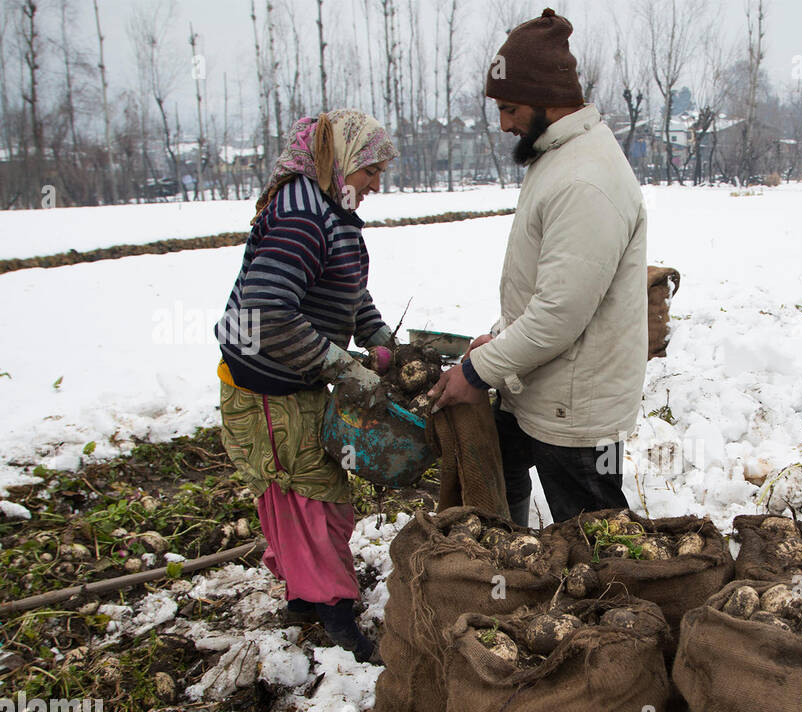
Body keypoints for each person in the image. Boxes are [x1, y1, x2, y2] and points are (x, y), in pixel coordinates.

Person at [429, 8, 648, 527]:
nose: (504, 124)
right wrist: (499, 338)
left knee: (597, 538)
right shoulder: (560, 158)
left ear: (549, 100)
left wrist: (474, 372)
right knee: (499, 486)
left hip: (576, 415)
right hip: (544, 393)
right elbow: (546, 287)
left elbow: (557, 315)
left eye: (509, 108)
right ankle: (517, 570)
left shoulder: (584, 180)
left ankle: (616, 606)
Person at [213, 109, 399, 661]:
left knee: (309, 494)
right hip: (264, 390)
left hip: (295, 382)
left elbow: (342, 284)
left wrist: (375, 332)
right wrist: (343, 368)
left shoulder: (330, 209)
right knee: (310, 498)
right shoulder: (301, 215)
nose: (375, 185)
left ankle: (305, 595)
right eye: (372, 171)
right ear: (344, 161)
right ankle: (335, 614)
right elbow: (267, 312)